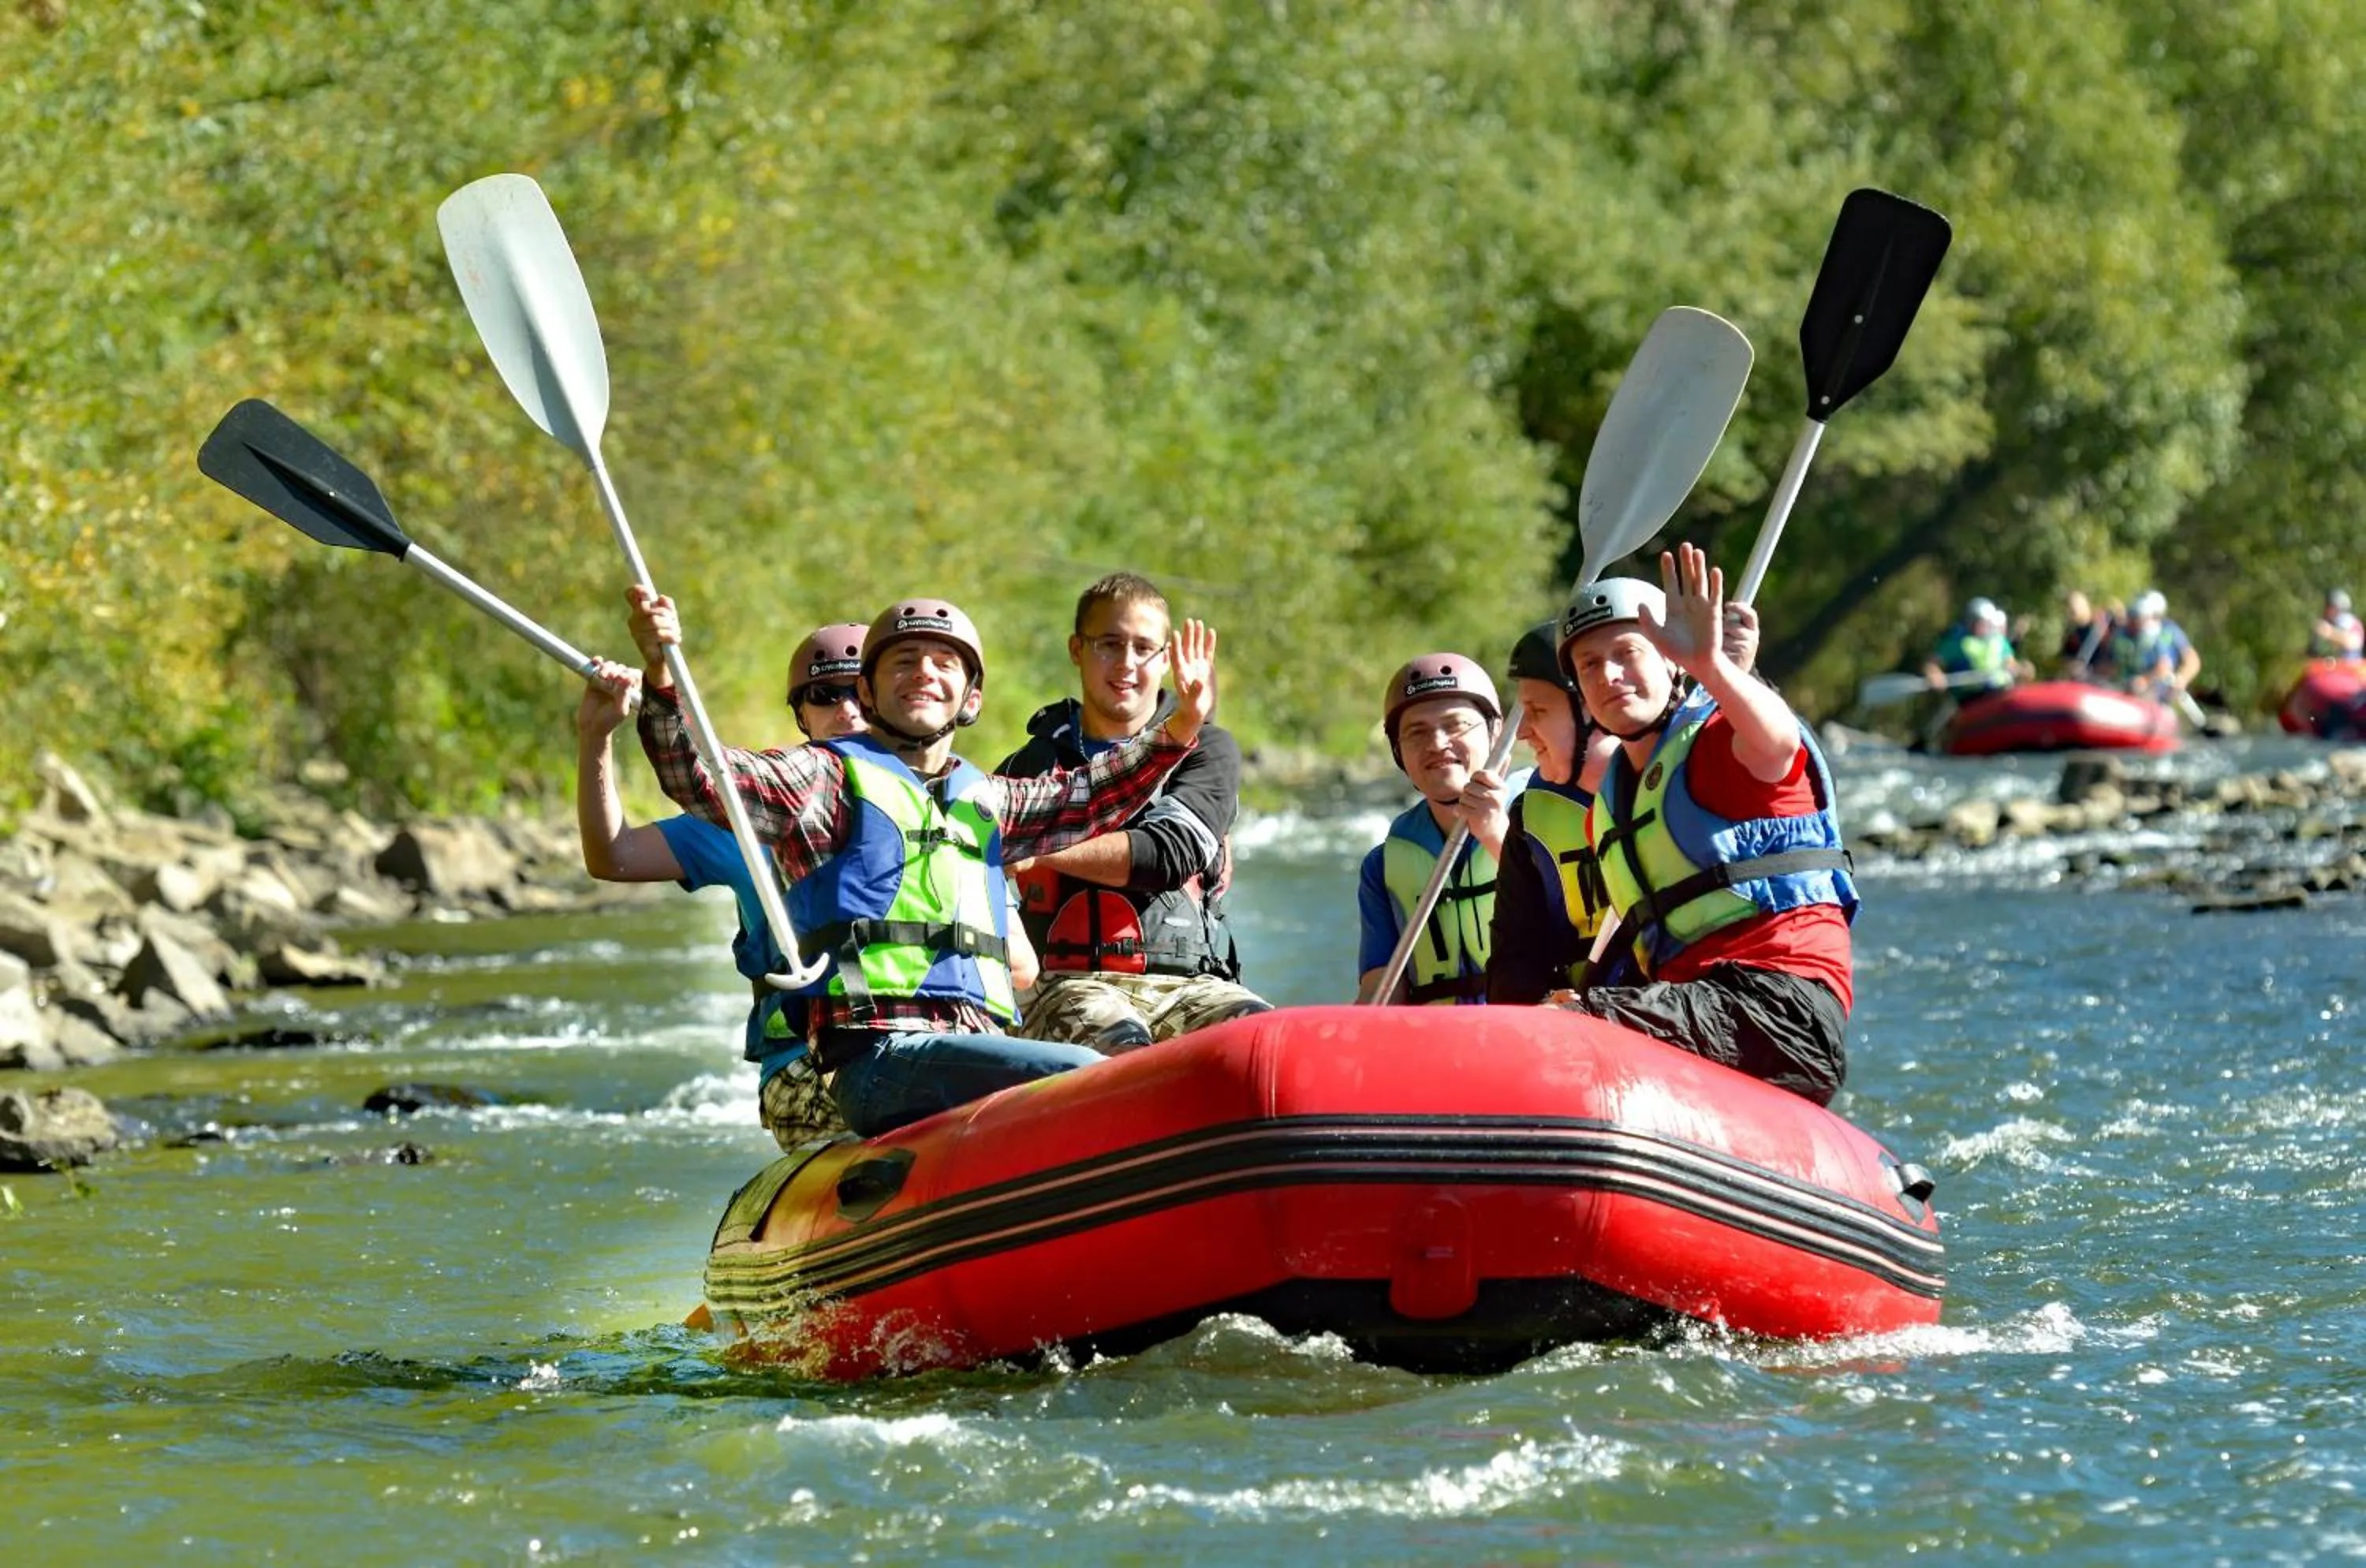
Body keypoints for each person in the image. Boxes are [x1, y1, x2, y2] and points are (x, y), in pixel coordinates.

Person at [629, 589, 1218, 1138]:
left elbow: (1095, 796)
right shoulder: (821, 782)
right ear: (867, 692)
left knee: (1092, 1073)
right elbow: (700, 777)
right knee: (1088, 1071)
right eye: (904, 662)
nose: (924, 674)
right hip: (879, 1056)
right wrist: (661, 675)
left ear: (972, 698)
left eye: (944, 664)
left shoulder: (989, 799)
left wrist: (1182, 726)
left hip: (969, 1047)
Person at [1552, 544, 1857, 1106]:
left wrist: (1713, 667)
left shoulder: (1723, 740)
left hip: (1780, 1006)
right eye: (1589, 665)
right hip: (1691, 1008)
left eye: (1627, 653)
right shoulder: (1610, 806)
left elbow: (1779, 743)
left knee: (1565, 1027)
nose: (1610, 675)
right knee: (1558, 1015)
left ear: (1670, 661)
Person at [577, 622, 875, 1149]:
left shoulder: (946, 804)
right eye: (825, 695)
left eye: (861, 691)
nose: (847, 709)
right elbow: (613, 857)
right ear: (802, 715)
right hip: (807, 1065)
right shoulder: (748, 811)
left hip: (919, 1046)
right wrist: (596, 738)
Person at [998, 573, 1269, 1051]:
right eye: (1109, 644)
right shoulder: (1028, 767)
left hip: (1192, 986)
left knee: (1261, 1042)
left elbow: (1167, 856)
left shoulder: (1207, 749)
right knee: (1123, 1044)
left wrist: (1037, 846)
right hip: (1065, 986)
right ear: (1077, 650)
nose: (1126, 663)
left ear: (1165, 660)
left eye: (1144, 648)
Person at [1488, 599, 1760, 1005]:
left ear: (1590, 710)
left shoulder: (1699, 773)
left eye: (1537, 711)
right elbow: (1513, 967)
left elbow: (1759, 747)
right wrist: (1544, 1002)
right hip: (1590, 1022)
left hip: (1706, 999)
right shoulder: (1529, 819)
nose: (1523, 731)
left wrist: (1737, 675)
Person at [1355, 654, 1510, 1006]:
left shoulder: (1541, 824)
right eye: (1417, 733)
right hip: (1436, 1044)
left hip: (1530, 1036)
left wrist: (1496, 837)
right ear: (1398, 752)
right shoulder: (1380, 868)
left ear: (1494, 733)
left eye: (1456, 726)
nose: (1437, 744)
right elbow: (1381, 990)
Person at [1923, 597, 2029, 693]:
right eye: (1981, 623)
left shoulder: (1998, 641)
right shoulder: (1957, 642)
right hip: (1972, 700)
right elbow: (1932, 663)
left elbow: (2010, 662)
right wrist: (1935, 674)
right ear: (1971, 622)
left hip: (2000, 694)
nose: (1985, 627)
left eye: (1988, 623)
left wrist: (2020, 670)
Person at [2115, 588, 2200, 703]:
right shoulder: (2124, 633)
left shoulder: (2169, 631)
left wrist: (2182, 678)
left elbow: (2191, 660)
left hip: (2155, 695)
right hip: (2124, 688)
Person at [2057, 589, 2115, 680]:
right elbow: (2067, 657)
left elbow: (2111, 659)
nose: (2072, 612)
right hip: (2080, 679)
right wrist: (2073, 666)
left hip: (2101, 678)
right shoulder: (2072, 633)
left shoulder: (2102, 623)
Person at [2308, 588, 2364, 661]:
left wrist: (2329, 633)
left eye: (2329, 607)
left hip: (2351, 666)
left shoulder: (2347, 620)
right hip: (2335, 665)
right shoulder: (2330, 622)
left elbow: (2353, 642)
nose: (2326, 610)